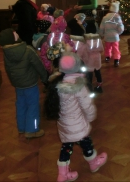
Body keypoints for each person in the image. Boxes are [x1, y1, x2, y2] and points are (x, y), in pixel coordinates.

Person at [44, 52, 107, 182]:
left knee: (66, 147)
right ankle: (93, 163)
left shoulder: (57, 83)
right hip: (77, 124)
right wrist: (91, 116)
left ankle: (62, 174)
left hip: (64, 125)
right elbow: (87, 104)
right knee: (86, 144)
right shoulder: (78, 86)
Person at [0, 28, 48, 139]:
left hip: (18, 85)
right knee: (33, 106)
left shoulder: (7, 52)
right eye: (14, 33)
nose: (17, 32)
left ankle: (22, 127)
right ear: (13, 38)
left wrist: (13, 81)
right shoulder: (27, 50)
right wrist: (45, 77)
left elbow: (7, 69)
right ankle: (32, 130)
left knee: (21, 105)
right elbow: (38, 64)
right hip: (30, 83)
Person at [99, 1, 124, 67]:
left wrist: (101, 34)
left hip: (107, 36)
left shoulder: (105, 18)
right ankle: (116, 60)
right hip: (115, 37)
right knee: (115, 48)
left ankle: (107, 57)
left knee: (107, 47)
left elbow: (101, 27)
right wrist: (118, 33)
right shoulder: (118, 17)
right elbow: (121, 28)